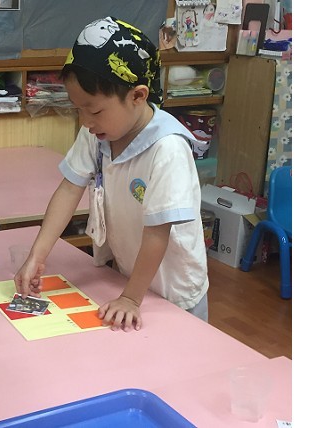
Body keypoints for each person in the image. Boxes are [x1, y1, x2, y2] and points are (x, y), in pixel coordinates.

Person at [14, 16, 209, 332]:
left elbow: (157, 233)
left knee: (176, 360)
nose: (85, 121)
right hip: (127, 281)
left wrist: (131, 298)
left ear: (138, 96)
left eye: (93, 110)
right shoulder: (98, 132)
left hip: (173, 293)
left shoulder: (168, 148)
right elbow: (69, 189)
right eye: (78, 109)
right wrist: (37, 255)